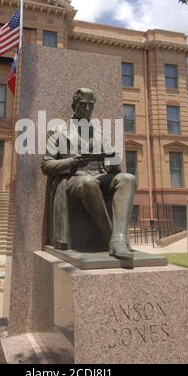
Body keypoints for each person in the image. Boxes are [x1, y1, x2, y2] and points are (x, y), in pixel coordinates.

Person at [41, 88, 137, 260]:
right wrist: (72, 162)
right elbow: (46, 165)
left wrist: (113, 165)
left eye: (90, 106)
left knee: (128, 178)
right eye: (82, 105)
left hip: (100, 176)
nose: (86, 109)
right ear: (73, 105)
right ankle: (113, 239)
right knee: (88, 182)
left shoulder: (100, 133)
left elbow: (112, 160)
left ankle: (119, 239)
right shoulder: (58, 131)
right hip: (73, 178)